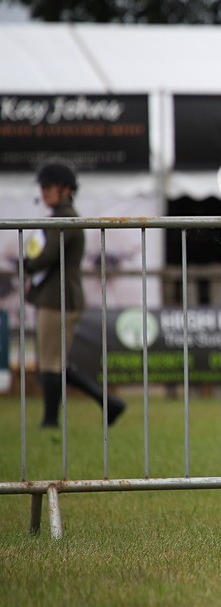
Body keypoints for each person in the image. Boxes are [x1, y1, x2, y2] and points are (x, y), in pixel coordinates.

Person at [23, 163, 126, 428]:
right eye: (42, 187)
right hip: (54, 297)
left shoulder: (66, 219)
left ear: (66, 189)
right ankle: (106, 403)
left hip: (59, 298)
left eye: (49, 186)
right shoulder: (59, 219)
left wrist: (28, 261)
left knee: (52, 362)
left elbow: (45, 256)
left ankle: (51, 420)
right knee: (54, 361)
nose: (44, 192)